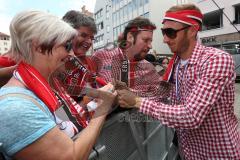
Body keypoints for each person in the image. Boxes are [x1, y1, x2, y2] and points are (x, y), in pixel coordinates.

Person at [116, 3, 240, 159]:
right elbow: (159, 94)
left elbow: (191, 116)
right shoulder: (176, 62)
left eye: (170, 32)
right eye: (164, 32)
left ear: (193, 30)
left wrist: (136, 101)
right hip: (188, 152)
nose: (165, 39)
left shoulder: (217, 60)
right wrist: (125, 92)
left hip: (216, 154)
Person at [0, 10, 115, 160]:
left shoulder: (49, 86)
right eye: (67, 46)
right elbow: (71, 156)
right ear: (39, 46)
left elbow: (69, 123)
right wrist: (103, 108)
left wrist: (100, 100)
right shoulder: (15, 107)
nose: (72, 55)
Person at [92, 17, 169, 100]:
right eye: (146, 40)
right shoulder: (100, 56)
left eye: (151, 41)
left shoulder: (148, 67)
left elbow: (162, 95)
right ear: (130, 37)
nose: (150, 46)